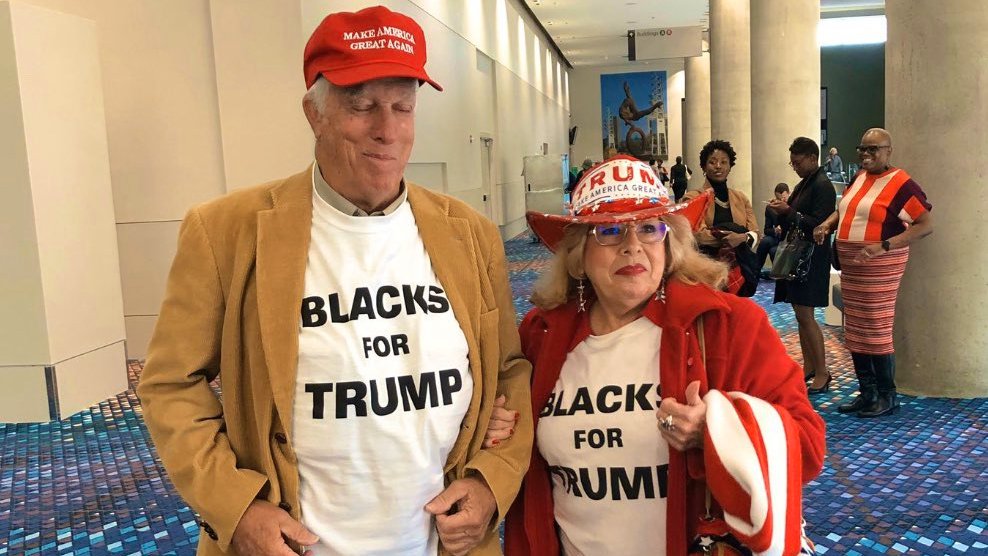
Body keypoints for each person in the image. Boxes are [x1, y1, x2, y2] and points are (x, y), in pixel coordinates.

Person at [136, 6, 533, 556]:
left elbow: (508, 370)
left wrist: (491, 482)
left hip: (440, 543)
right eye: (362, 106)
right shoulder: (226, 232)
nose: (387, 130)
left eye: (403, 107)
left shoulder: (469, 233)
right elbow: (171, 385)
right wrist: (235, 507)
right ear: (314, 114)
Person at [494, 155, 824, 555]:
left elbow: (807, 447)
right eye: (610, 231)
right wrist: (496, 428)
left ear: (670, 246)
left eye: (650, 229)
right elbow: (513, 443)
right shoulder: (541, 335)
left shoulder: (728, 325)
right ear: (579, 256)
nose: (632, 246)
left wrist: (715, 431)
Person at [813, 128, 934, 418]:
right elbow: (846, 210)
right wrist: (827, 224)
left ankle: (887, 395)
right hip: (853, 264)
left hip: (880, 265)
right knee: (855, 328)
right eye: (862, 149)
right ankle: (867, 393)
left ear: (888, 151)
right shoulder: (859, 177)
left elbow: (924, 224)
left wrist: (884, 246)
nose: (866, 154)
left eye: (873, 149)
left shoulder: (900, 183)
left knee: (876, 328)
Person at [768, 138, 837, 394]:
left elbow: (819, 224)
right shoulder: (805, 183)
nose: (795, 167)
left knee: (807, 315)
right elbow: (796, 218)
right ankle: (810, 366)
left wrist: (788, 211)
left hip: (812, 258)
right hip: (800, 256)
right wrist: (782, 212)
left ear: (812, 158)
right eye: (792, 163)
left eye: (797, 162)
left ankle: (822, 372)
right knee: (800, 313)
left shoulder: (822, 185)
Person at [684, 140, 760, 296]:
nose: (718, 166)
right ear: (704, 167)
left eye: (724, 162)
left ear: (730, 166)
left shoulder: (741, 198)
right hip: (704, 271)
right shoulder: (692, 198)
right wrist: (730, 236)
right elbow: (697, 235)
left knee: (737, 309)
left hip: (739, 272)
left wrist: (741, 237)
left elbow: (756, 233)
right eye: (712, 162)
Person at [756, 182, 790, 277]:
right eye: (778, 199)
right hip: (777, 237)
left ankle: (779, 276)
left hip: (789, 239)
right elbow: (766, 230)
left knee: (773, 251)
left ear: (789, 193)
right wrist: (775, 230)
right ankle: (755, 271)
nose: (781, 201)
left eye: (783, 198)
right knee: (765, 241)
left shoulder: (793, 206)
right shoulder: (771, 208)